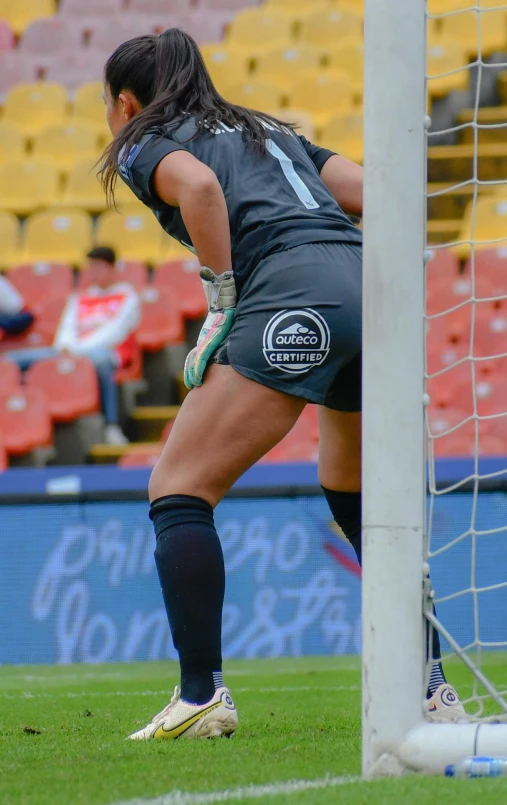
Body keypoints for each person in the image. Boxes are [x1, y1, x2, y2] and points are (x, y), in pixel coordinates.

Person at [99, 28, 465, 740]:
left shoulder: (145, 138)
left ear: (123, 100)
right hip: (370, 290)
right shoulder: (266, 128)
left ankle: (200, 694)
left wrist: (220, 295)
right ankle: (431, 688)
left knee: (177, 487)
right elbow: (378, 189)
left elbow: (200, 187)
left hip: (294, 292)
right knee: (357, 494)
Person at [4, 247, 140, 445]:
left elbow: (115, 332)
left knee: (101, 361)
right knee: (10, 361)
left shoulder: (128, 297)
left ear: (112, 268)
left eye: (99, 267)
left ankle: (111, 426)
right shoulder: (80, 297)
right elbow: (67, 327)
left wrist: (77, 351)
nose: (94, 272)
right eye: (92, 267)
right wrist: (66, 347)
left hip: (107, 353)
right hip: (69, 350)